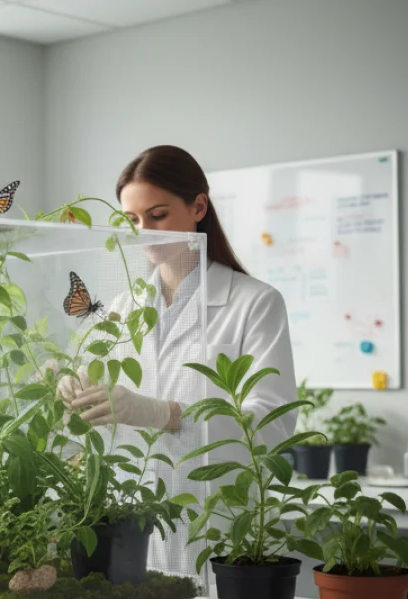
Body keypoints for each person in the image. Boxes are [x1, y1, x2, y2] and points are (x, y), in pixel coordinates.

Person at [60, 144, 297, 576]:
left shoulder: (255, 303)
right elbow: (92, 428)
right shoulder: (121, 309)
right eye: (132, 220)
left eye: (158, 214)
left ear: (198, 207)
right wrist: (72, 392)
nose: (144, 231)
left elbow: (273, 425)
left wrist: (167, 414)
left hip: (218, 527)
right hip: (134, 529)